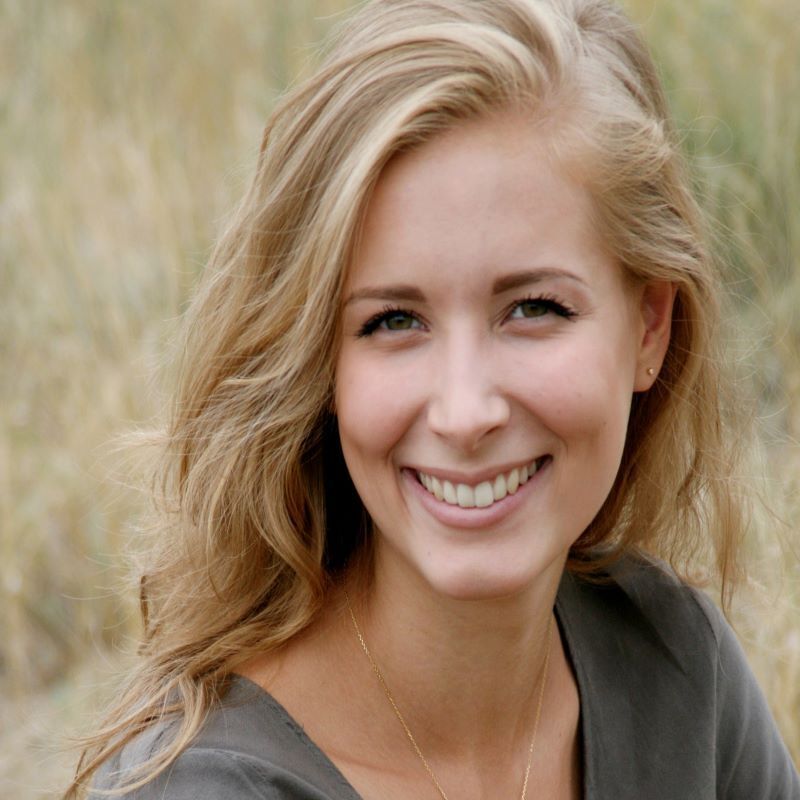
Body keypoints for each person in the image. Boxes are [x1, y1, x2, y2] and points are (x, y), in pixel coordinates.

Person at [68, 0, 799, 798]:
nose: (464, 411)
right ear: (320, 366)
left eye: (534, 309)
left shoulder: (678, 672)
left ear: (649, 327)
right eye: (393, 321)